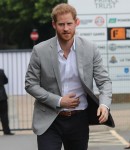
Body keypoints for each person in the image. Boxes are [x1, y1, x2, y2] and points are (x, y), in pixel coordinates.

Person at [25, 3, 113, 150]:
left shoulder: (90, 48)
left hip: (79, 119)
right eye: (61, 24)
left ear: (76, 22)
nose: (66, 28)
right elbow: (30, 84)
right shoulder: (40, 50)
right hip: (49, 119)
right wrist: (59, 101)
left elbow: (103, 81)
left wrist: (104, 104)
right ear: (54, 24)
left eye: (69, 24)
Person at [0, 69, 14, 135]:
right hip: (2, 96)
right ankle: (6, 131)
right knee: (4, 114)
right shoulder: (1, 71)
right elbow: (6, 81)